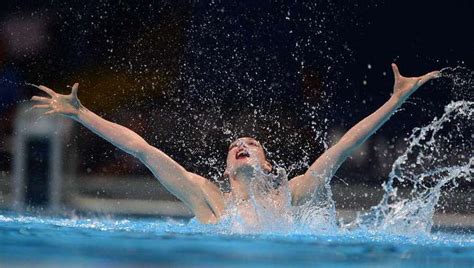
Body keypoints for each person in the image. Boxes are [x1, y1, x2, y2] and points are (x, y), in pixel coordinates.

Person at [30, 64, 439, 224]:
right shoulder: (207, 197)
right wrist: (81, 114)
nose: (241, 145)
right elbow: (142, 149)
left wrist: (394, 99)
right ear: (226, 168)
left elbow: (346, 146)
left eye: (252, 143)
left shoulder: (292, 193)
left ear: (266, 164)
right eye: (235, 144)